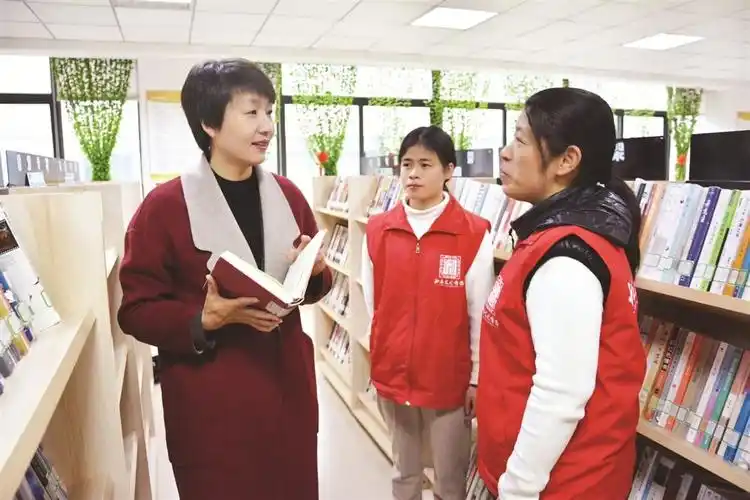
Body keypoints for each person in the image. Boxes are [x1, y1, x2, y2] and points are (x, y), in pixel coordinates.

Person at [117, 59, 332, 500]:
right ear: (209, 124)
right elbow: (135, 310)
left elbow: (314, 288)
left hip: (287, 397)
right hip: (212, 411)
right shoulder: (163, 207)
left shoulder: (289, 195)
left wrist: (313, 273)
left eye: (269, 112)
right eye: (251, 112)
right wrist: (203, 319)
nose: (267, 126)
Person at [472, 87, 647, 500]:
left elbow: (561, 393)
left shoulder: (567, 258)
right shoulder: (558, 235)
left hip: (562, 485)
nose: (505, 153)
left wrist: (517, 488)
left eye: (520, 140)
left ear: (567, 160)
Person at [362, 126, 496, 500]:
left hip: (447, 380)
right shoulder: (378, 230)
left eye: (425, 164)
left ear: (449, 170)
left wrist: (476, 378)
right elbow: (374, 303)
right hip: (393, 373)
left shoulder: (473, 233)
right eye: (407, 164)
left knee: (449, 480)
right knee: (404, 472)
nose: (413, 174)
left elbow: (479, 312)